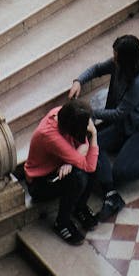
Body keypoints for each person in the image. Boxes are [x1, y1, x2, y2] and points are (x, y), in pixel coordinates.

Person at [68, 34, 139, 222]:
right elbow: (97, 69)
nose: (113, 58)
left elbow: (119, 113)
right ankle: (111, 194)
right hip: (123, 127)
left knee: (120, 172)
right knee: (93, 145)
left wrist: (91, 113)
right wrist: (78, 81)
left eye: (116, 55)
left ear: (127, 58)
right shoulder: (118, 64)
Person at [24, 100, 99, 245]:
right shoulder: (50, 136)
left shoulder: (65, 113)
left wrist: (70, 161)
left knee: (95, 157)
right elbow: (89, 166)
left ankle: (79, 207)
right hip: (40, 184)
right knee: (79, 177)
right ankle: (62, 222)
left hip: (60, 167)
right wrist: (94, 134)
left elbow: (85, 144)